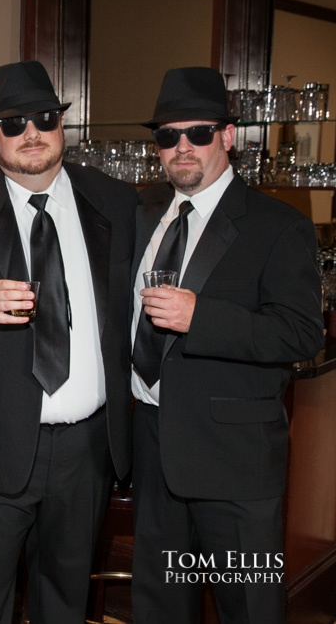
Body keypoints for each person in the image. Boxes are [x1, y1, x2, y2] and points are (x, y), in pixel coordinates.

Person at [0, 60, 136, 623]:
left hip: (88, 451)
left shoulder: (116, 202)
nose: (30, 133)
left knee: (64, 600)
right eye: (13, 123)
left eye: (43, 118)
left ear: (63, 125)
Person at [130, 66, 324, 624]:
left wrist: (202, 317)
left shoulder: (278, 225)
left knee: (249, 608)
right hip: (153, 449)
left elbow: (301, 332)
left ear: (228, 137)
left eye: (198, 133)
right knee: (162, 607)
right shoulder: (142, 215)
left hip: (235, 465)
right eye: (168, 135)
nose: (182, 147)